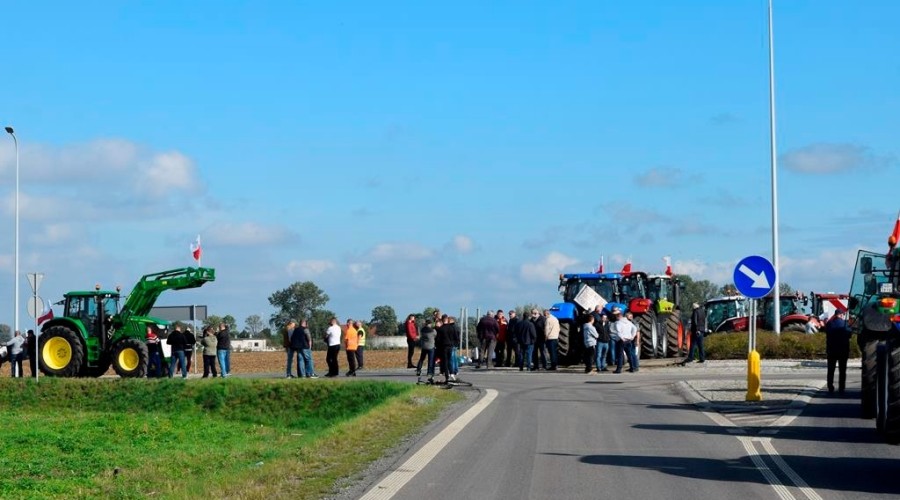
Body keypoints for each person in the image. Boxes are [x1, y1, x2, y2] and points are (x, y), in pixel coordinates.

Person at [825, 309, 852, 394]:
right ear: (841, 315)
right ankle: (841, 387)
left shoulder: (829, 324)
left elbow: (827, 333)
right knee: (842, 370)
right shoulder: (845, 324)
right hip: (843, 350)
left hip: (831, 350)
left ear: (835, 315)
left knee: (831, 370)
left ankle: (830, 387)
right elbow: (849, 334)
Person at [611, 307, 638, 373]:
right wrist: (632, 336)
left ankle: (619, 369)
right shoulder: (628, 322)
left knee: (620, 355)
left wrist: (621, 337)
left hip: (621, 340)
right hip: (628, 340)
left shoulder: (618, 323)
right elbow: (635, 328)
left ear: (618, 316)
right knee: (629, 355)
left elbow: (618, 331)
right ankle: (632, 368)